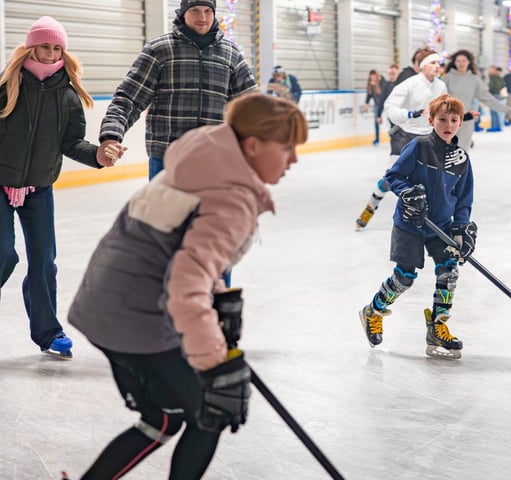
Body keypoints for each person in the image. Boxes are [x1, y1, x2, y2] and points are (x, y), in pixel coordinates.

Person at [67, 94, 308, 479]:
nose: (293, 159)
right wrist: (216, 365)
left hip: (102, 303)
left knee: (162, 419)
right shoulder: (233, 198)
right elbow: (185, 286)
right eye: (287, 148)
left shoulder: (200, 164)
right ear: (252, 146)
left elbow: (174, 246)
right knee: (209, 412)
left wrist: (218, 299)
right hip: (137, 319)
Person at [0, 16, 124, 360]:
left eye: (56, 47)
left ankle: (48, 332)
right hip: (0, 183)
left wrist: (99, 155)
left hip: (39, 189)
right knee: (3, 254)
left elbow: (72, 143)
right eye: (44, 45)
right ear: (30, 47)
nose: (49, 52)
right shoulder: (6, 86)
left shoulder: (68, 95)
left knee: (44, 263)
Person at [358, 94, 475, 360]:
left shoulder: (461, 159)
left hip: (440, 227)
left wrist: (461, 229)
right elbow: (393, 175)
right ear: (431, 120)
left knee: (449, 272)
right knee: (404, 278)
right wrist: (407, 191)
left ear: (460, 124)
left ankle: (438, 326)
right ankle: (372, 312)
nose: (448, 124)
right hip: (410, 223)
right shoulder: (419, 146)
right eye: (442, 119)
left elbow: (463, 200)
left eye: (453, 120)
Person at [98, 0, 258, 181]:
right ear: (183, 13)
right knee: (167, 209)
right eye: (195, 10)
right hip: (168, 155)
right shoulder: (160, 50)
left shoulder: (231, 53)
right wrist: (111, 135)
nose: (202, 17)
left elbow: (250, 106)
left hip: (215, 156)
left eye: (207, 10)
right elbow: (128, 99)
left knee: (212, 210)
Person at [354, 50, 446, 230]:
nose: (437, 66)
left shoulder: (440, 87)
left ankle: (430, 218)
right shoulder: (409, 84)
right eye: (433, 63)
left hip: (427, 136)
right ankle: (369, 209)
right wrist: (411, 114)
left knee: (431, 180)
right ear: (423, 65)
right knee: (391, 179)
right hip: (403, 136)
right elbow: (390, 108)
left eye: (439, 63)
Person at [442, 50, 511, 152]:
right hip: (448, 121)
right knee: (447, 152)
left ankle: (462, 168)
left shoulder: (474, 79)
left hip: (466, 121)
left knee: (462, 152)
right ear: (454, 63)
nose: (461, 63)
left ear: (469, 62)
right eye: (458, 61)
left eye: (464, 61)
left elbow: (486, 98)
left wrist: (505, 109)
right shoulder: (447, 78)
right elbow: (439, 99)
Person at [365, 69, 385, 145]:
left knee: (391, 119)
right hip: (377, 104)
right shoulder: (370, 85)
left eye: (374, 77)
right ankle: (377, 138)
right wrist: (366, 103)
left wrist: (378, 82)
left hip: (385, 103)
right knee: (376, 120)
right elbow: (369, 95)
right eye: (371, 77)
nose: (373, 79)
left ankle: (396, 135)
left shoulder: (382, 82)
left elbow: (385, 89)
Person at [487, 66, 506, 132]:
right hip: (496, 95)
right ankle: (497, 126)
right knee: (495, 111)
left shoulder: (494, 77)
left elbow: (496, 86)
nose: (489, 71)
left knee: (493, 111)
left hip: (495, 95)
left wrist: (490, 90)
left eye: (491, 70)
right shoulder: (496, 77)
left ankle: (495, 126)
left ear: (494, 70)